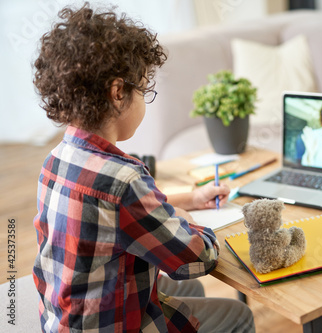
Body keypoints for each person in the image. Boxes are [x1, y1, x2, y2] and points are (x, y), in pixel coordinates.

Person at [32, 3, 254, 332]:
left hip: (63, 320)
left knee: (186, 292)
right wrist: (192, 223)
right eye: (144, 89)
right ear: (119, 92)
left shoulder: (56, 160)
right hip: (110, 325)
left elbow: (112, 212)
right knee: (238, 316)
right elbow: (197, 259)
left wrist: (189, 199)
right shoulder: (123, 179)